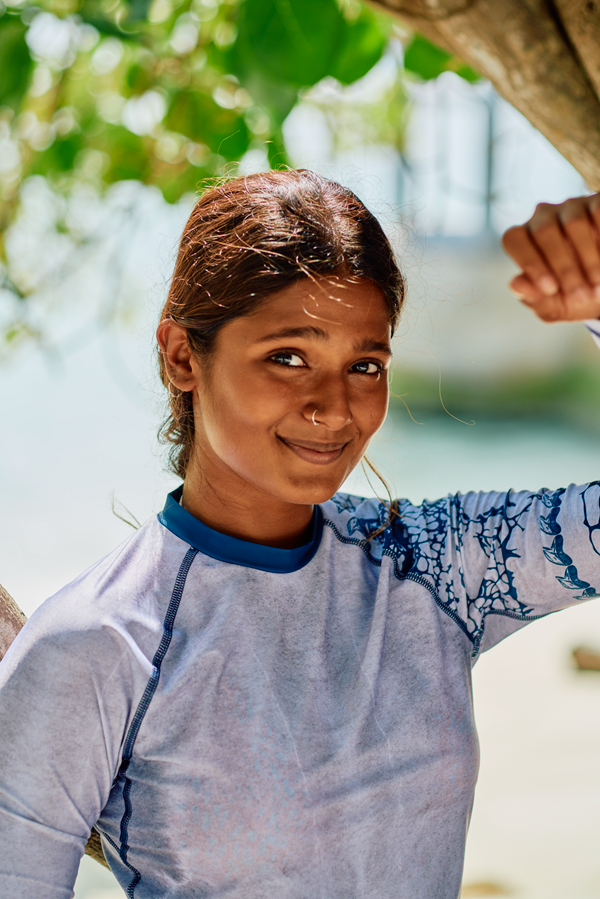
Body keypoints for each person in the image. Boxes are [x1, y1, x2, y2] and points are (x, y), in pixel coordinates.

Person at [0, 170, 599, 899]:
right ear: (182, 356)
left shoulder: (437, 567)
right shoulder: (96, 645)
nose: (333, 407)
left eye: (365, 365)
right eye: (287, 356)